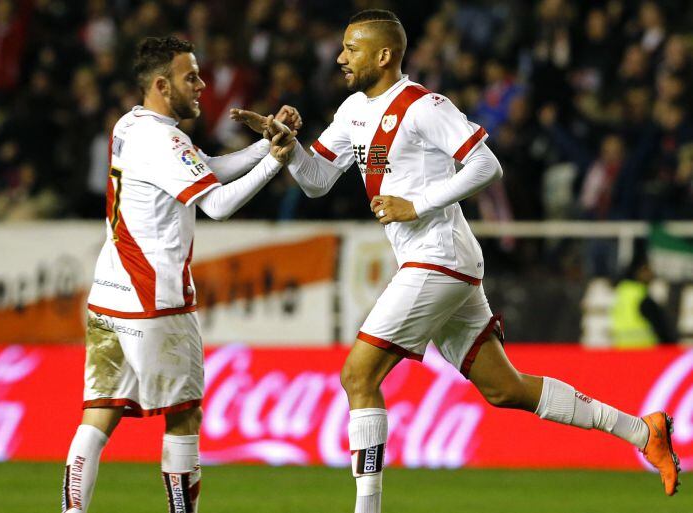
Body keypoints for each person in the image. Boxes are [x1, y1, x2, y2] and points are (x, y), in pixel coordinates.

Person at [237, 9, 680, 512]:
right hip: (441, 262)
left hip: (438, 256)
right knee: (504, 388)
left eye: (351, 49)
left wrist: (417, 205)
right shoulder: (351, 112)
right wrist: (286, 146)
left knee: (358, 376)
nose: (340, 57)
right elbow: (316, 182)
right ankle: (643, 430)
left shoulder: (425, 106)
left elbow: (487, 165)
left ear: (384, 55)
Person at [60, 36, 297, 513]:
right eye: (191, 76)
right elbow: (219, 204)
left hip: (109, 296)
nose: (202, 85)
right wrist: (276, 161)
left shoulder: (129, 125)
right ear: (163, 85)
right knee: (184, 416)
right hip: (155, 301)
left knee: (99, 413)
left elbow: (203, 169)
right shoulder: (166, 140)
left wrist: (262, 147)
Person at [611, 251, 677, 347]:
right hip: (644, 352)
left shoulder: (620, 294)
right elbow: (663, 330)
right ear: (639, 271)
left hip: (622, 351)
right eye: (648, 269)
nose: (652, 274)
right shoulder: (642, 299)